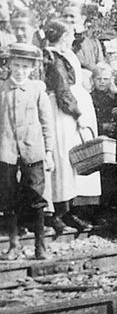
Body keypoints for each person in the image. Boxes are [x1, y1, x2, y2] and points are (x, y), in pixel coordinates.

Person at [41, 20, 100, 233]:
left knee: (69, 160)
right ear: (62, 36)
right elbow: (63, 91)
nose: (73, 38)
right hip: (61, 112)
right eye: (70, 34)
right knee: (62, 159)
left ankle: (68, 210)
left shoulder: (65, 54)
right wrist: (78, 114)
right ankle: (57, 212)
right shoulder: (53, 57)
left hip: (68, 110)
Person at [0, 43, 55, 260]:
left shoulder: (37, 89)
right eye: (16, 65)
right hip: (6, 152)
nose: (20, 71)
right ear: (9, 65)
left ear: (32, 68)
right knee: (7, 196)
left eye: (25, 66)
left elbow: (47, 123)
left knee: (36, 196)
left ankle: (40, 245)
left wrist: (49, 152)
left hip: (33, 151)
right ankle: (14, 245)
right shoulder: (2, 89)